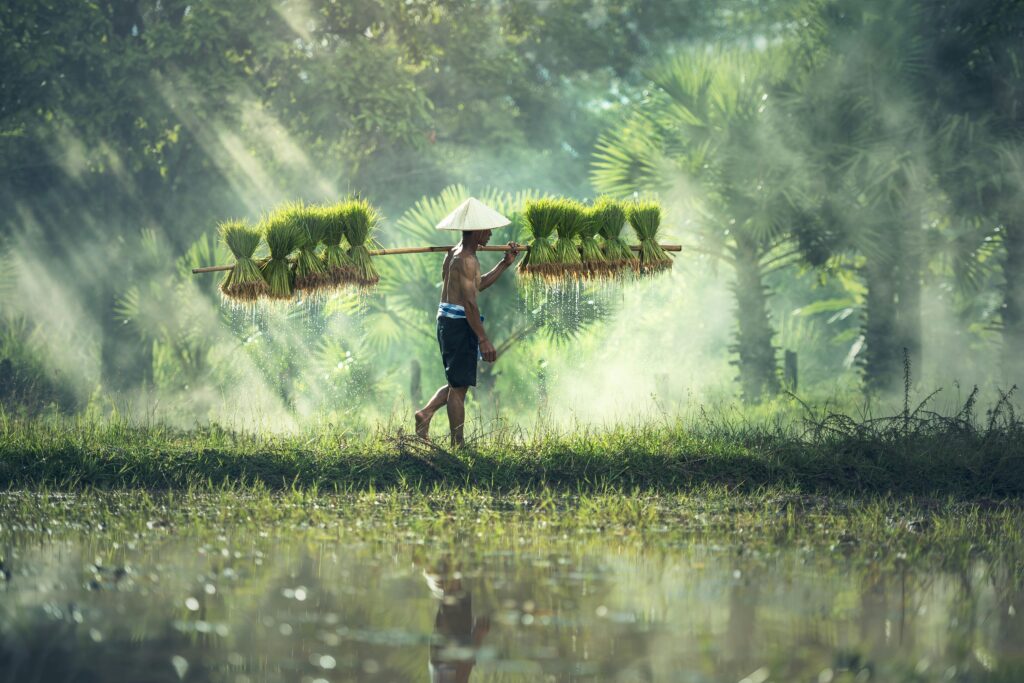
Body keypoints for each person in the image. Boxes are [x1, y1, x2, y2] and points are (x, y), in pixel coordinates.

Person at [414, 198, 520, 446]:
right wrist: (483, 339)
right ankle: (458, 444)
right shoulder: (467, 260)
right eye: (488, 229)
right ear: (477, 231)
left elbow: (478, 285)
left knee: (456, 382)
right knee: (459, 390)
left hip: (448, 320)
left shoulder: (455, 253)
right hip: (458, 324)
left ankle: (425, 414)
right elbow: (470, 303)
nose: (492, 233)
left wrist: (505, 263)